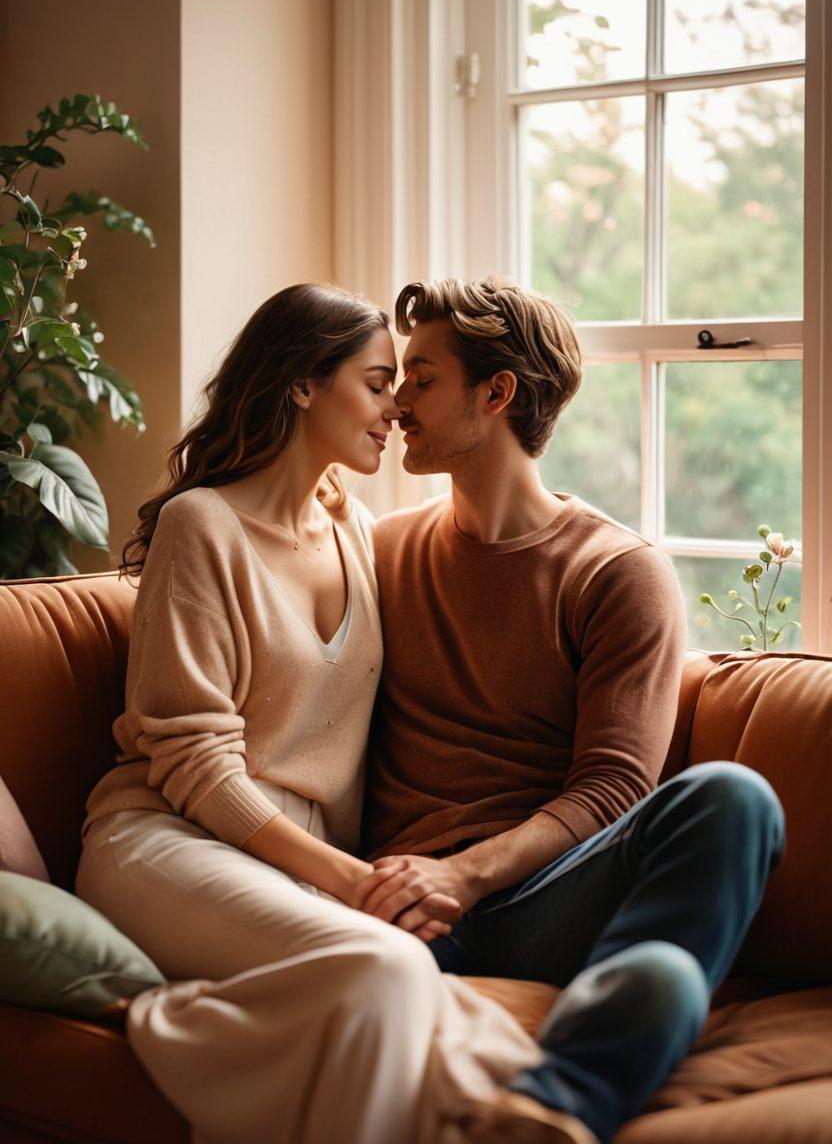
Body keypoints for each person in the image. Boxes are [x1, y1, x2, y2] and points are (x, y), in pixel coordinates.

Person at [74, 283, 578, 1144]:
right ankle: (177, 1022)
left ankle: (197, 1019)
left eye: (408, 386)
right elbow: (192, 761)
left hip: (296, 870)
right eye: (380, 382)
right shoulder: (203, 528)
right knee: (388, 966)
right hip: (166, 843)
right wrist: (352, 880)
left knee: (421, 1005)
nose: (399, 411)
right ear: (304, 384)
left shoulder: (356, 531)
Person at [361, 275, 787, 1144]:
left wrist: (466, 873)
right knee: (658, 967)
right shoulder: (378, 551)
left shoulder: (616, 571)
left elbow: (612, 792)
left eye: (422, 376)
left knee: (734, 800)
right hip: (401, 898)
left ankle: (556, 1106)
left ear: (498, 392)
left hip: (542, 897)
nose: (397, 399)